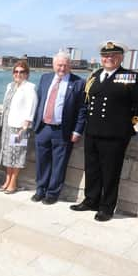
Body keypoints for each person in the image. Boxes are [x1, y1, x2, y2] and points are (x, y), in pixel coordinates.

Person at [70, 41, 138, 221]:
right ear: (101, 58)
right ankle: (91, 200)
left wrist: (128, 123)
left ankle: (106, 207)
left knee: (111, 172)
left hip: (115, 135)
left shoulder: (131, 77)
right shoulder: (95, 76)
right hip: (92, 132)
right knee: (92, 169)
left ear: (121, 58)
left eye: (113, 56)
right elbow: (86, 100)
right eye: (106, 56)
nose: (109, 59)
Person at [31, 51, 86, 205]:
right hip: (43, 128)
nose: (62, 68)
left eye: (65, 65)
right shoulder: (45, 78)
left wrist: (77, 130)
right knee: (42, 161)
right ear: (54, 65)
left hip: (63, 130)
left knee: (59, 163)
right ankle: (40, 189)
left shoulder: (78, 82)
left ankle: (52, 193)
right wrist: (35, 123)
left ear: (70, 66)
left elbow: (82, 109)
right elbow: (40, 101)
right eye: (59, 65)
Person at [0, 60, 38, 193]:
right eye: (16, 71)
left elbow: (31, 107)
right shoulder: (10, 86)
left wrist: (25, 126)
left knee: (17, 155)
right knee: (8, 154)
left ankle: (13, 182)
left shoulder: (29, 88)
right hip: (8, 126)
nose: (18, 74)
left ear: (26, 74)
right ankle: (7, 179)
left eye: (21, 72)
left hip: (19, 128)